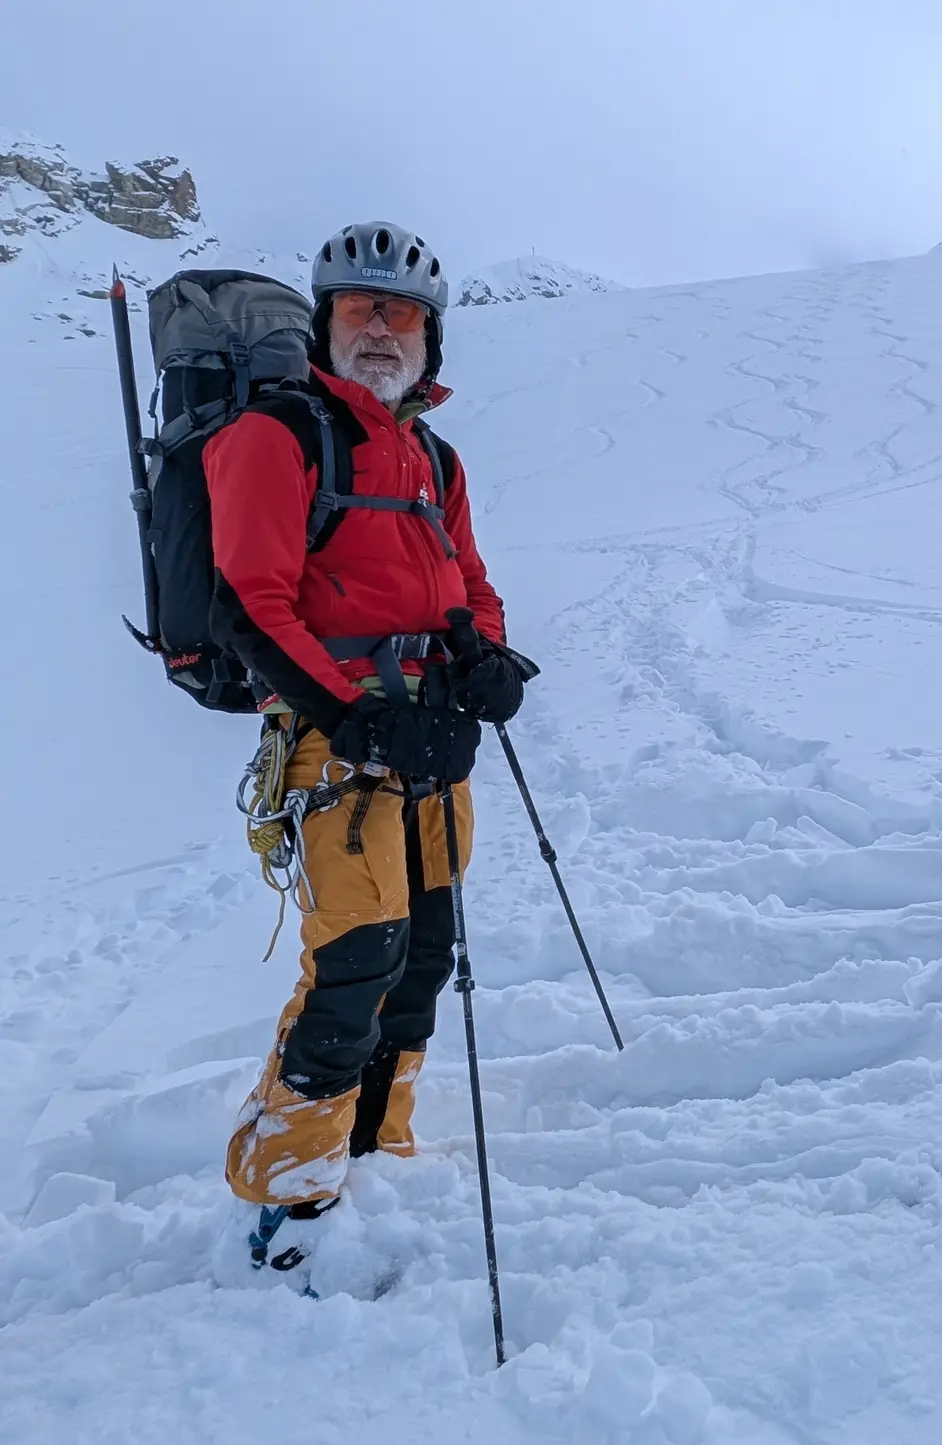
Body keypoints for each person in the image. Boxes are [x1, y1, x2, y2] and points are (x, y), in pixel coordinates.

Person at [206, 221, 530, 1275]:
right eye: (360, 308)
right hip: (335, 749)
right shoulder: (279, 435)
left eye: (402, 314)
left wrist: (487, 656)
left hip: (433, 741)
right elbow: (250, 607)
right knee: (355, 964)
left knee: (425, 953)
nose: (381, 330)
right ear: (325, 324)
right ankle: (288, 1199)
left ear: (431, 340)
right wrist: (354, 715)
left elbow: (467, 582)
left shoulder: (434, 456)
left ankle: (373, 1152)